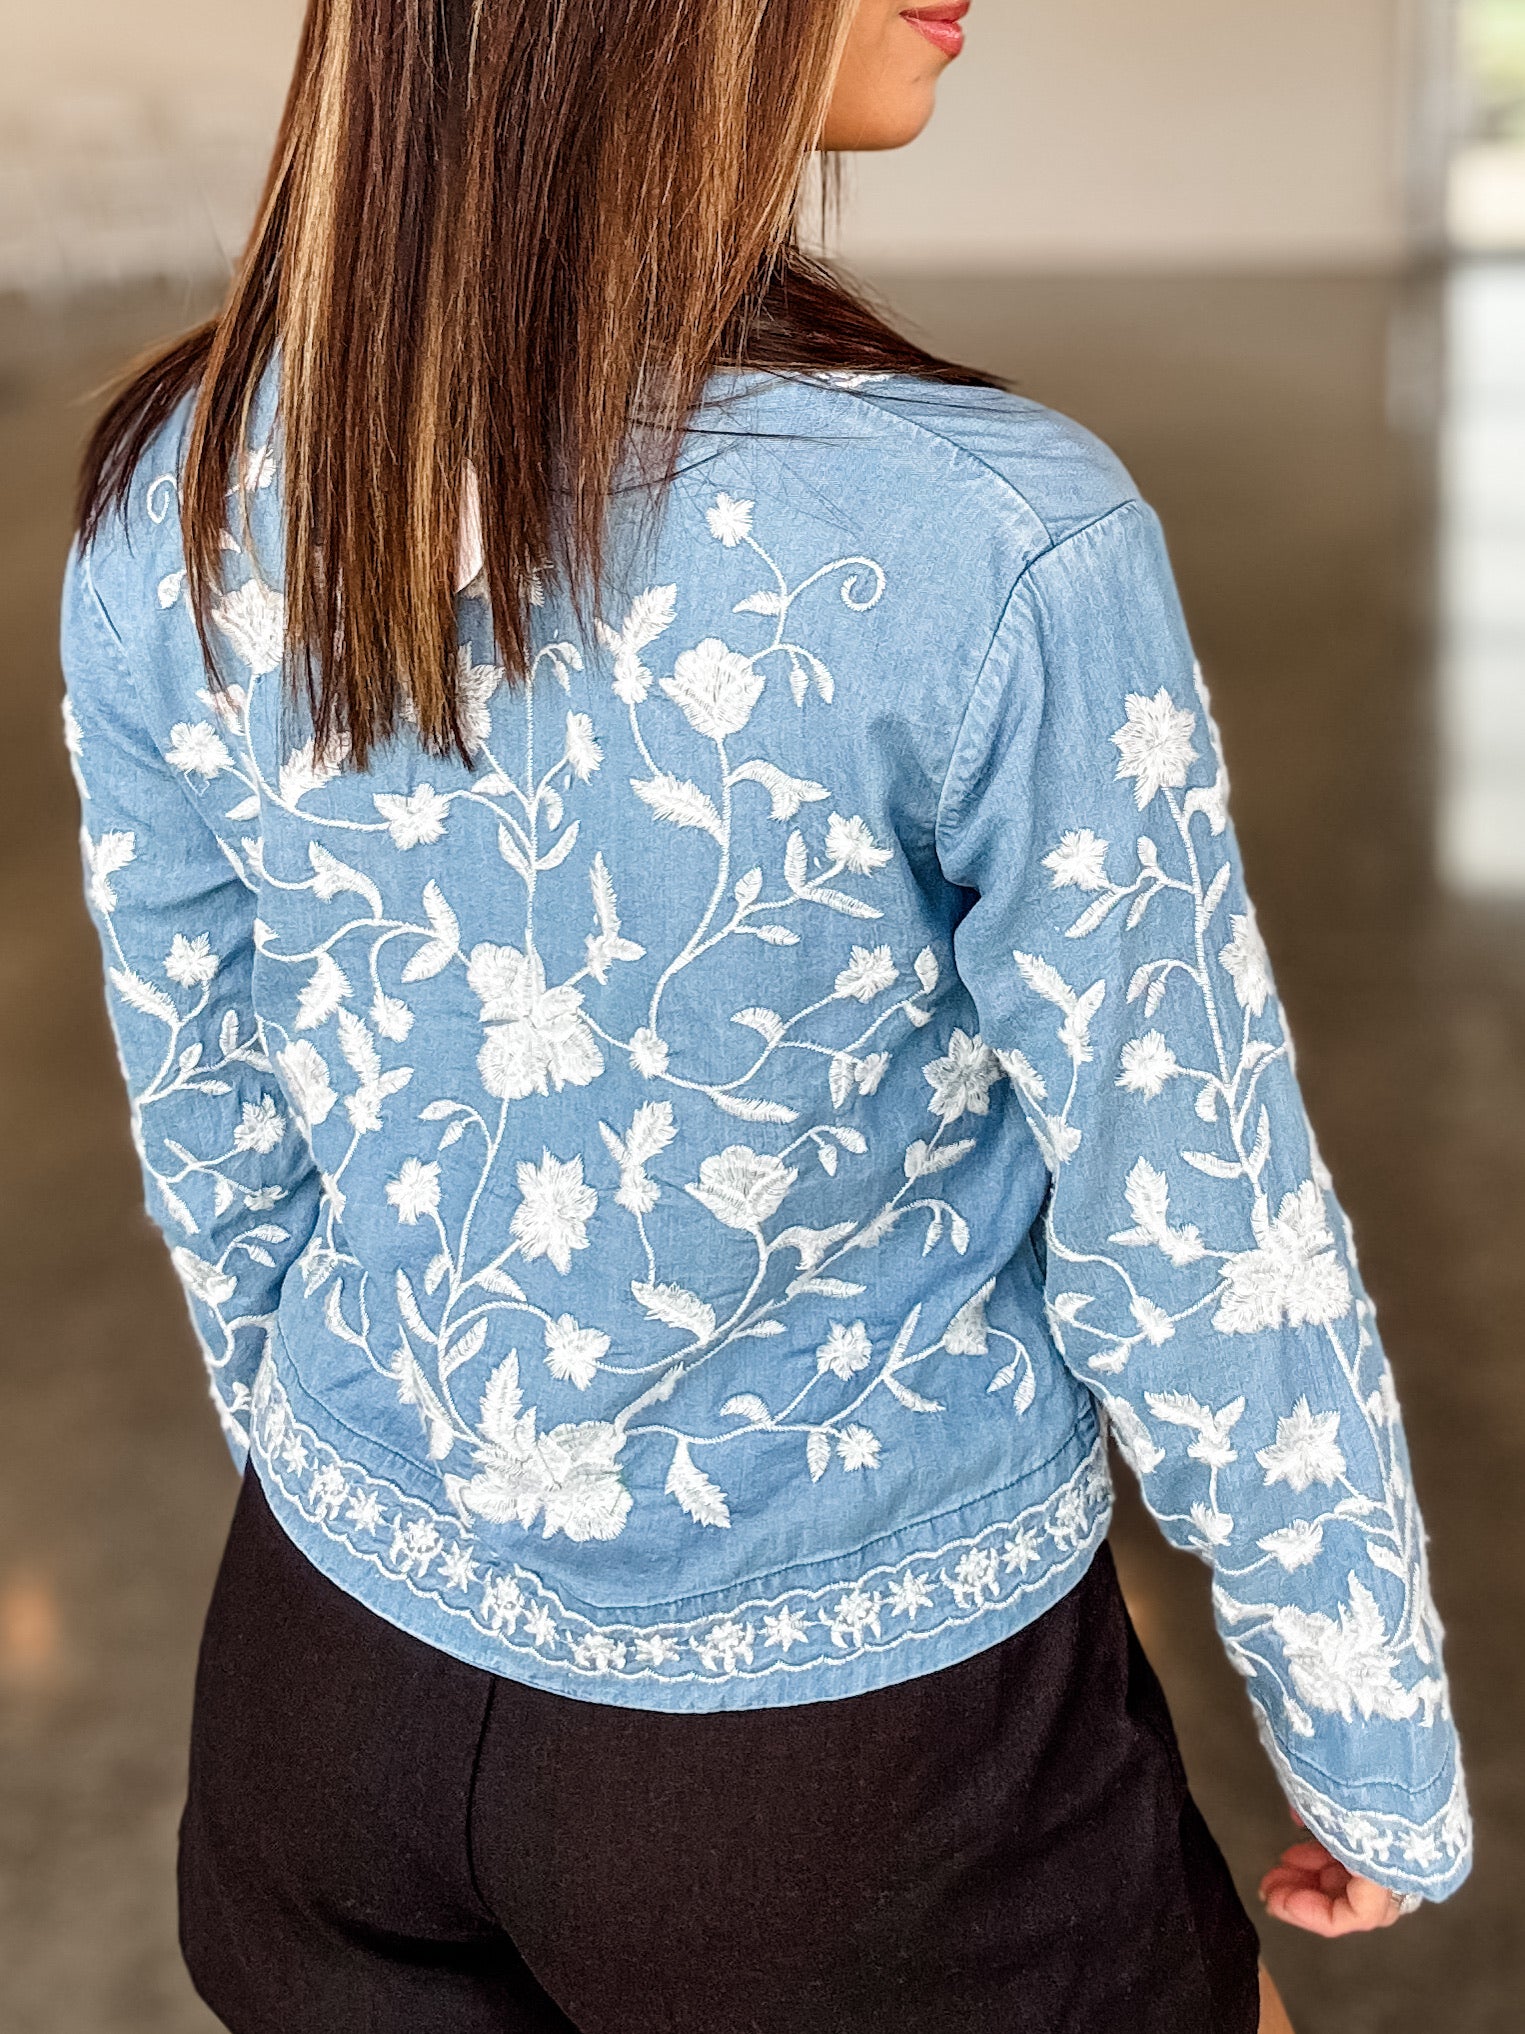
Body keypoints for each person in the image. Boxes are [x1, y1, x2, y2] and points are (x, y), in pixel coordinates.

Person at [61, 2, 1469, 2029]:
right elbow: (1190, 1209)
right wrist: (1367, 1735)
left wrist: (387, 1502)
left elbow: (209, 1101)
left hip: (324, 1693)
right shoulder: (995, 537)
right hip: (852, 1786)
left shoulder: (179, 480)